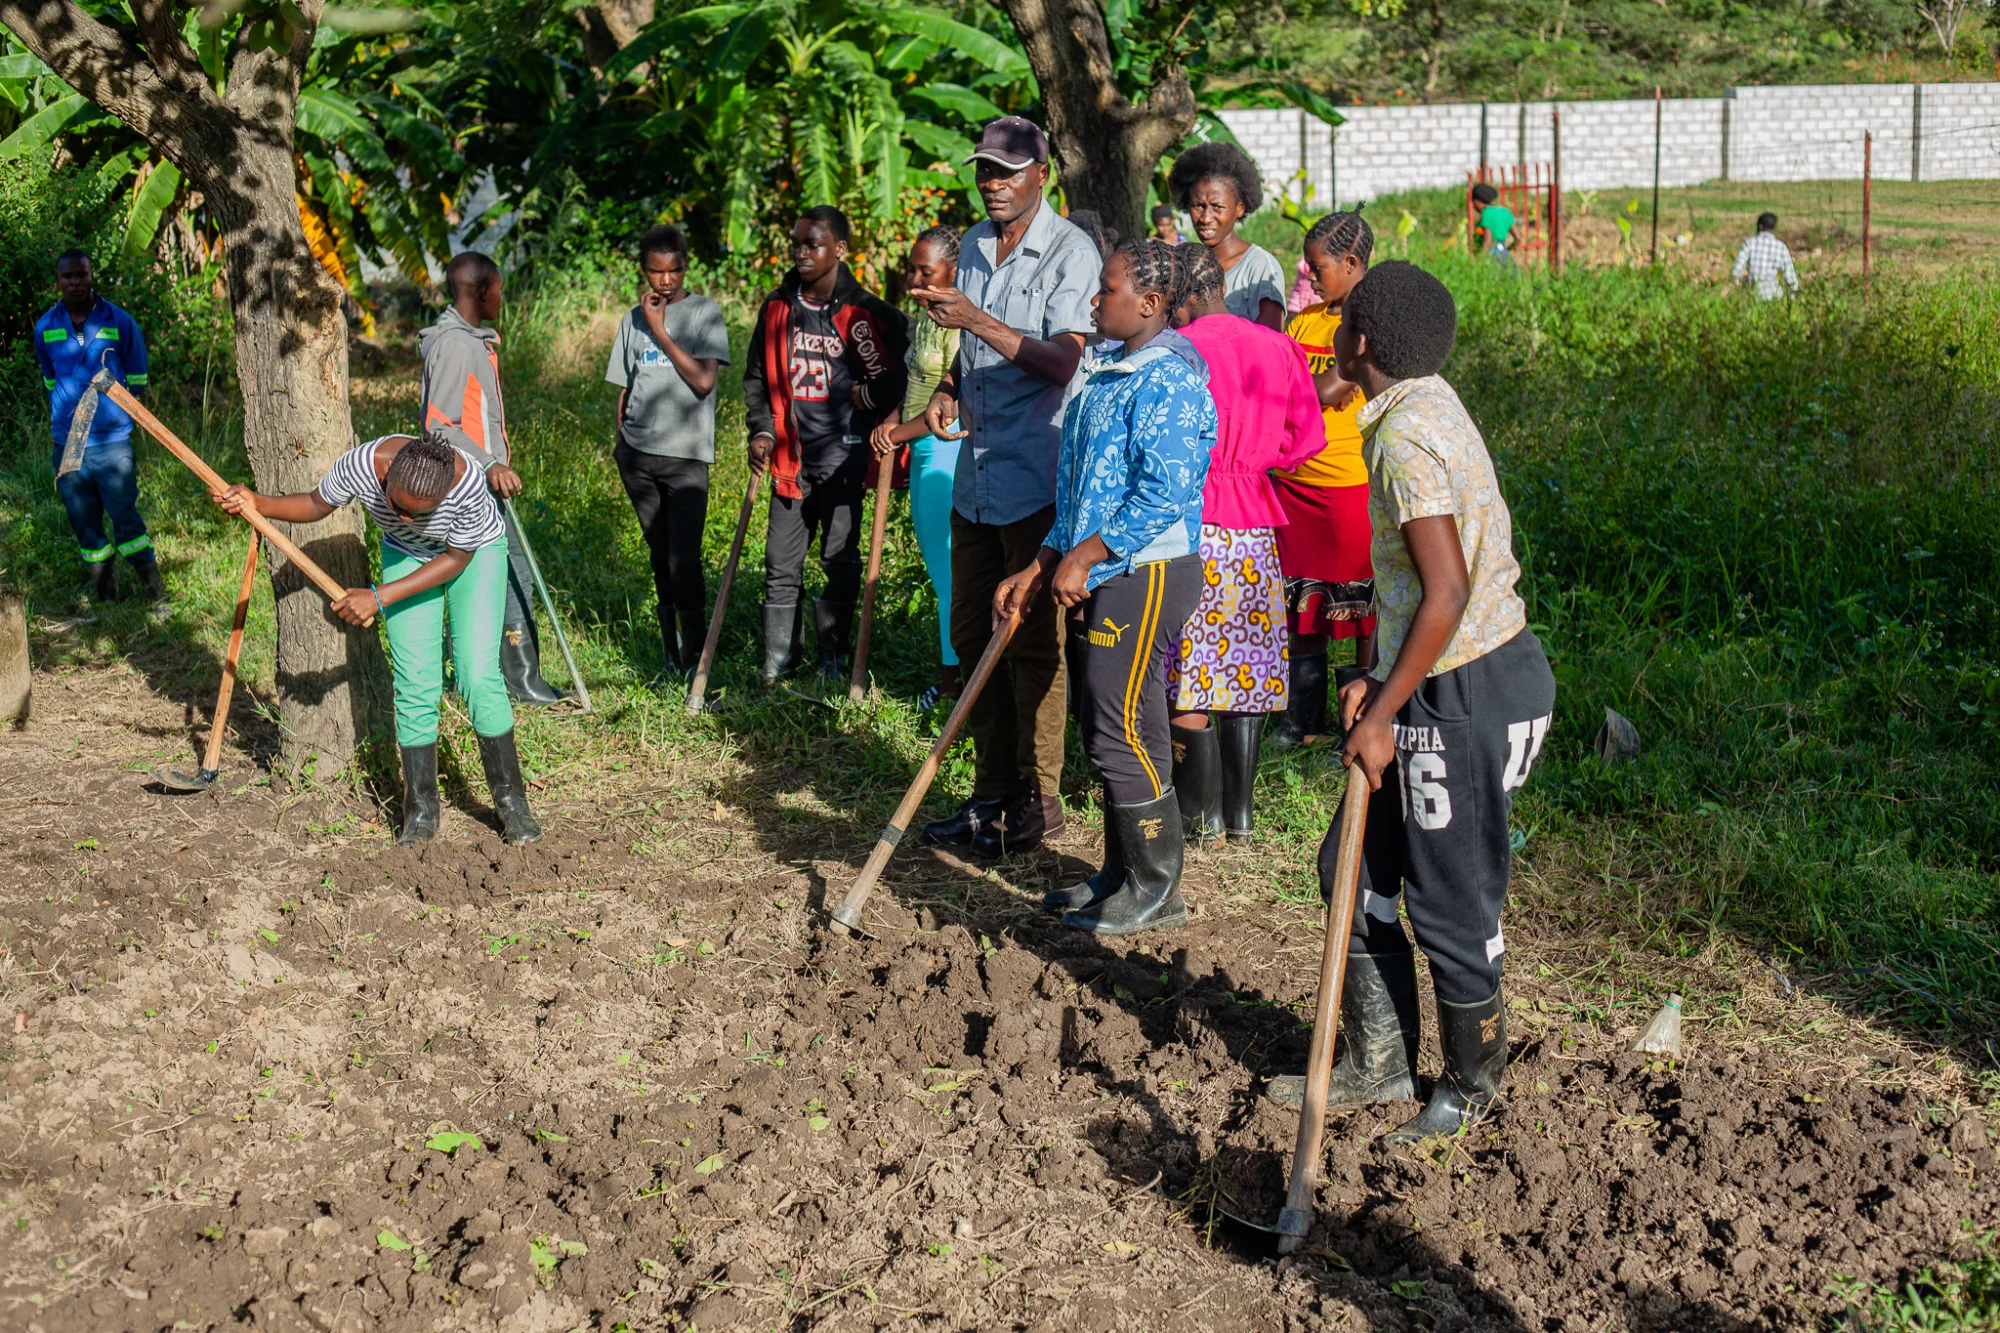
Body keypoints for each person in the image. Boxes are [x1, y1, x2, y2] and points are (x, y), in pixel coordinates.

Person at [1284, 260, 1555, 1142]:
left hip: (1468, 685)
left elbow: (1445, 590)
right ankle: (1380, 1060)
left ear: (1360, 341)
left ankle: (1472, 1088)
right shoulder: (1418, 400)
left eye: (1342, 322)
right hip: (1436, 672)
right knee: (1351, 868)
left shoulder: (1401, 438)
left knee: (1449, 902)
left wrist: (1380, 711)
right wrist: (1380, 674)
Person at [997, 238, 1215, 935]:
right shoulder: (1110, 368)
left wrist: (1088, 555)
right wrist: (1042, 561)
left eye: (1107, 289)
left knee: (1116, 723)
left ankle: (1157, 888)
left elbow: (1164, 491)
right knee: (1125, 721)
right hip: (1106, 565)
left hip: (1147, 570)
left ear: (1149, 304)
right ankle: (1122, 874)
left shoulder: (1169, 380)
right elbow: (1083, 489)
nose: (1095, 300)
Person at [912, 116, 1101, 860]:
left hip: (1039, 480)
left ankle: (1037, 799)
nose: (992, 182)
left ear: (1040, 175)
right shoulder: (975, 244)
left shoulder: (1071, 253)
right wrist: (948, 388)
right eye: (984, 170)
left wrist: (976, 321)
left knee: (1032, 645)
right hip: (976, 478)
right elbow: (967, 348)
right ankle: (989, 791)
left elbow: (1063, 361)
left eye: (1006, 170)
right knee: (969, 636)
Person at [209, 432, 542, 847]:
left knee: (476, 672)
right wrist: (258, 502)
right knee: (416, 683)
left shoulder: (470, 486)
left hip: (472, 556)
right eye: (397, 507)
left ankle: (512, 802)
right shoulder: (364, 464)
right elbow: (317, 503)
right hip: (406, 555)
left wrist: (378, 598)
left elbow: (456, 558)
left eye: (419, 514)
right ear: (386, 476)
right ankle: (420, 811)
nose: (404, 518)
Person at [1166, 244, 1327, 846]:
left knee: (1188, 668)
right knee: (1246, 666)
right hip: (1254, 525)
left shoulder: (1177, 349)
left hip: (1191, 519)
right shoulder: (1276, 344)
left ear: (1181, 296)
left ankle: (1198, 817)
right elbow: (1306, 436)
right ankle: (1240, 816)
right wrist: (1256, 463)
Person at [743, 205, 907, 685]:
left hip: (845, 461)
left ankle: (832, 661)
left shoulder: (868, 313)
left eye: (812, 244)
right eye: (796, 243)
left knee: (840, 561)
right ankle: (778, 663)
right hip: (790, 461)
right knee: (780, 563)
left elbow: (906, 371)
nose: (801, 252)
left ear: (838, 249)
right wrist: (760, 429)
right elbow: (757, 379)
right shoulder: (777, 308)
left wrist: (873, 397)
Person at [419, 252, 566, 707]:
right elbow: (439, 425)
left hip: (479, 482)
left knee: (496, 576)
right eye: (498, 289)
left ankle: (511, 676)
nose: (502, 297)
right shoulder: (457, 346)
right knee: (510, 576)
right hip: (472, 486)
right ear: (481, 292)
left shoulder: (470, 341)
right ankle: (521, 681)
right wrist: (488, 464)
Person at [1273, 209, 1380, 750]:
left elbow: (1323, 392)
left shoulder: (1370, 324)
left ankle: (1363, 723)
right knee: (1302, 607)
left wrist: (1290, 386)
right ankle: (1302, 722)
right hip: (1295, 483)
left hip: (1345, 483)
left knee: (1361, 613)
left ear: (1352, 263)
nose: (1309, 275)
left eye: (1318, 267)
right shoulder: (1306, 320)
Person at [605, 223, 731, 682]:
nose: (667, 281)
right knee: (659, 556)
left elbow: (703, 381)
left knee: (685, 559)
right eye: (657, 272)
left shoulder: (704, 314)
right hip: (638, 456)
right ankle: (670, 658)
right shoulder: (630, 319)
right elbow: (624, 386)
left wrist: (660, 330)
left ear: (686, 266)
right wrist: (621, 443)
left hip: (685, 459)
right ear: (644, 271)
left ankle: (697, 659)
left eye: (675, 270)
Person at [34, 249, 164, 611]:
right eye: (67, 276)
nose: (75, 282)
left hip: (112, 442)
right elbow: (50, 378)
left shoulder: (119, 322)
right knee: (84, 523)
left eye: (81, 274)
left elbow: (136, 380)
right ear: (58, 280)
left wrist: (110, 413)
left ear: (92, 276)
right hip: (68, 444)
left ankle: (156, 595)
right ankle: (108, 599)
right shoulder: (45, 327)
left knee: (125, 517)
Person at [869, 226, 965, 709]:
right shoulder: (928, 316)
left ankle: (953, 687)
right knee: (939, 572)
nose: (913, 281)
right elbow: (915, 387)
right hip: (921, 449)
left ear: (954, 269)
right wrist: (891, 421)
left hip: (945, 451)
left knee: (950, 577)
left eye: (925, 272)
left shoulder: (962, 320)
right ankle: (954, 676)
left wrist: (898, 434)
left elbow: (952, 403)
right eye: (912, 270)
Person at [1168, 142, 1285, 330]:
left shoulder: (1259, 266)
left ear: (1239, 208)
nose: (1205, 218)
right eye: (1198, 206)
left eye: (1217, 207)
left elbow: (1270, 340)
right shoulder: (1182, 263)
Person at [1733, 212, 1799, 300]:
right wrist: (1792, 297)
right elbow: (1789, 275)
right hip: (1774, 296)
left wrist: (1738, 285)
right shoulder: (1780, 246)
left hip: (1753, 295)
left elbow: (1737, 269)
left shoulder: (1749, 243)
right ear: (1773, 228)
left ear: (1760, 226)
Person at [1470, 182, 1515, 266]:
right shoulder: (1506, 212)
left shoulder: (1486, 213)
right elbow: (1519, 238)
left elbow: (1487, 241)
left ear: (1479, 200)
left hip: (1493, 260)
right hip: (1507, 259)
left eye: (1473, 202)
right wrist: (1506, 249)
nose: (1473, 206)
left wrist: (1478, 263)